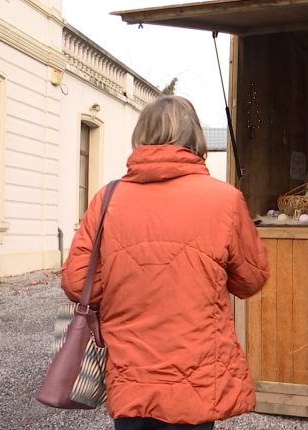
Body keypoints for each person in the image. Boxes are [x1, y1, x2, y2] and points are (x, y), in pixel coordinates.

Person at [61, 96, 269, 430]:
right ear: (195, 138)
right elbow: (250, 280)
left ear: (142, 134)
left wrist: (124, 284)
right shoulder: (224, 199)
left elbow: (76, 283)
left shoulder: (107, 197)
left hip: (130, 371)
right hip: (198, 371)